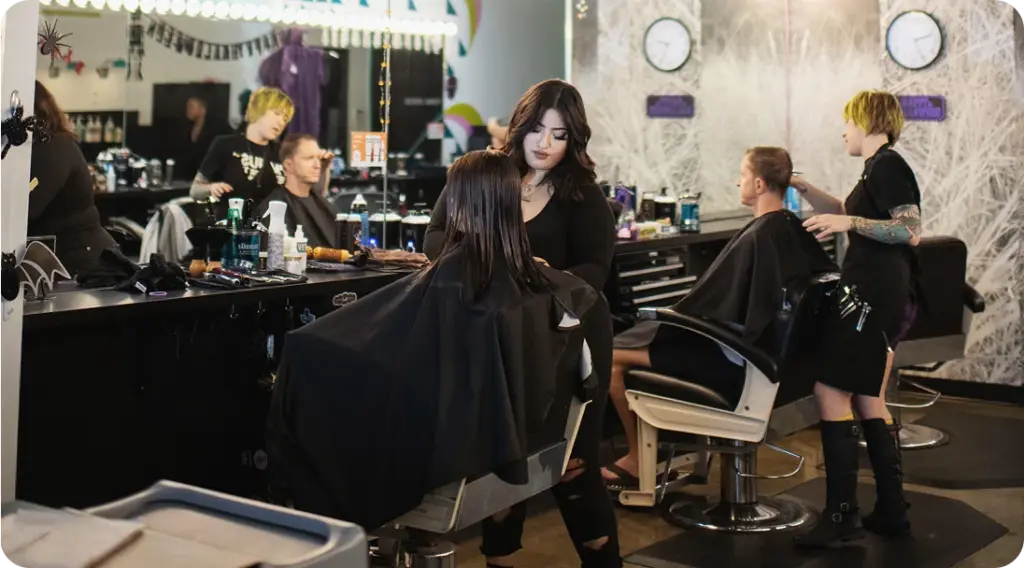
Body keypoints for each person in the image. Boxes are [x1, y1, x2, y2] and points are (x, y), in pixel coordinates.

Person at [267, 150, 602, 533]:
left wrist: (307, 348)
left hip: (456, 453)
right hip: (518, 447)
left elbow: (398, 341)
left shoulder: (458, 275)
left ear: (460, 201)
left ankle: (310, 523)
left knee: (309, 358)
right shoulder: (541, 279)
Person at [424, 79, 620, 568]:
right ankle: (499, 560)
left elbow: (597, 270)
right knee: (504, 455)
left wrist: (539, 275)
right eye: (536, 130)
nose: (544, 144)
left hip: (571, 340)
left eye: (558, 135)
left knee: (574, 462)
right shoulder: (487, 176)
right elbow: (435, 236)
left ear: (574, 140)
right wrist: (480, 264)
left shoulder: (582, 195)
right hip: (503, 338)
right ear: (519, 126)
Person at [604, 147, 838, 487]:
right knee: (641, 334)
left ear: (758, 184)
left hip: (739, 364)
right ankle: (677, 454)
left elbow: (714, 308)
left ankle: (638, 459)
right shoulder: (787, 228)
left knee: (611, 355)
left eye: (742, 176)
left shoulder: (762, 234)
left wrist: (670, 318)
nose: (737, 182)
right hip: (771, 362)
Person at [791, 90, 921, 547]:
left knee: (830, 390)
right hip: (872, 290)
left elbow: (909, 230)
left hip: (872, 295)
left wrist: (850, 227)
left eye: (847, 121)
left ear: (867, 121)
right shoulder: (875, 169)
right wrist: (807, 190)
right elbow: (850, 213)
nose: (843, 129)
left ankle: (841, 514)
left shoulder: (889, 165)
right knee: (869, 398)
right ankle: (890, 511)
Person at [27, 80, 116, 276]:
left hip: (83, 262)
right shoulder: (46, 146)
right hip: (66, 257)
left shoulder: (54, 147)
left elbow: (28, 206)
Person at [189, 87, 293, 219]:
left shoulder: (282, 152)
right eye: (277, 114)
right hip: (230, 229)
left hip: (269, 231)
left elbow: (307, 192)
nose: (281, 122)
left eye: (285, 118)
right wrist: (211, 187)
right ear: (258, 110)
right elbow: (195, 190)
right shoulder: (226, 145)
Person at [255, 133, 338, 248]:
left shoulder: (324, 205)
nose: (317, 165)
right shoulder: (271, 210)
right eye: (309, 158)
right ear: (289, 165)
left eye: (318, 159)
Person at [179, 96, 232, 181]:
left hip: (212, 176)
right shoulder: (186, 127)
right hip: (192, 177)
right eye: (187, 107)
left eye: (191, 107)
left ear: (202, 110)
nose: (188, 110)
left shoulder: (217, 126)